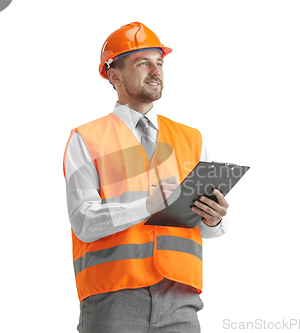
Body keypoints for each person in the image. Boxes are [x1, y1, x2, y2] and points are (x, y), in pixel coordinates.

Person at [63, 22, 230, 333]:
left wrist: (213, 220)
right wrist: (147, 206)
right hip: (113, 295)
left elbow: (207, 231)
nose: (156, 71)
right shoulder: (86, 138)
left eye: (160, 62)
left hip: (181, 296)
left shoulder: (191, 138)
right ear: (114, 76)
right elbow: (83, 222)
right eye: (143, 63)